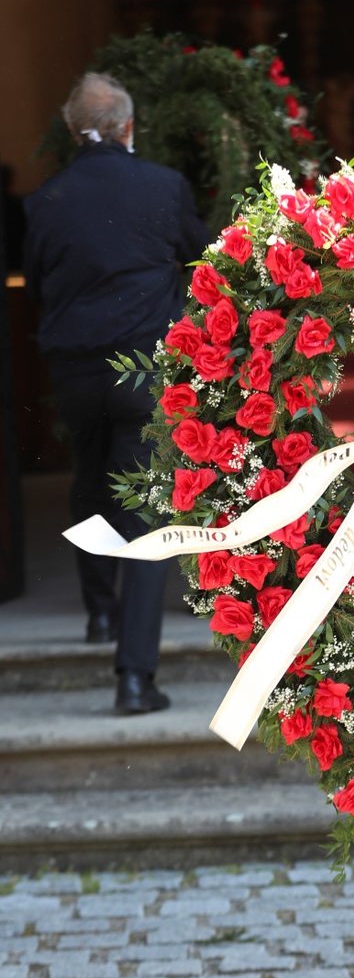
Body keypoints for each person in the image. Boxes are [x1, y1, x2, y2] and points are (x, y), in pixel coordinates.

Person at [24, 72, 208, 715]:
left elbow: (42, 282)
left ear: (74, 130)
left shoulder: (45, 199)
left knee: (89, 479)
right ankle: (135, 678)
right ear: (130, 127)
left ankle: (99, 614)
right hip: (142, 368)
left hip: (75, 371)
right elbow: (199, 260)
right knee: (147, 516)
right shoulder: (162, 186)